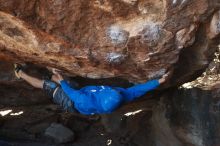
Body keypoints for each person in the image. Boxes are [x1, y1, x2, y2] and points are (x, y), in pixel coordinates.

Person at [14, 64, 170, 115]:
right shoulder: (123, 95)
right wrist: (159, 81)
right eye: (112, 90)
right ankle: (49, 74)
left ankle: (20, 73)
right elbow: (140, 89)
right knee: (64, 81)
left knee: (49, 86)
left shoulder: (84, 99)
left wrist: (61, 79)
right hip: (82, 93)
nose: (110, 88)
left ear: (102, 98)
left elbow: (71, 93)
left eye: (108, 90)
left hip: (71, 102)